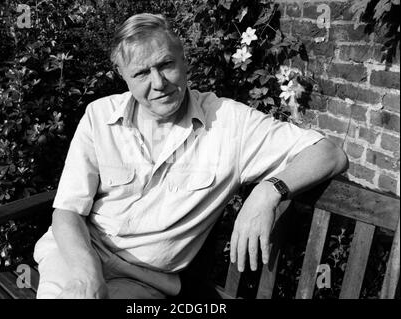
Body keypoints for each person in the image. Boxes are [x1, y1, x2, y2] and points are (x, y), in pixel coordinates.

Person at [33, 13, 348, 299]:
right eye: (142, 72)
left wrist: (268, 191)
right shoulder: (98, 116)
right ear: (122, 75)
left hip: (144, 282)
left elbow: (329, 153)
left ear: (184, 61)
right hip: (76, 256)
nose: (158, 84)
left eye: (166, 65)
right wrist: (87, 274)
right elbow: (67, 211)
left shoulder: (229, 123)